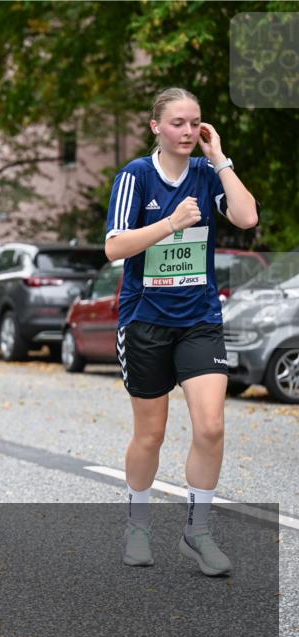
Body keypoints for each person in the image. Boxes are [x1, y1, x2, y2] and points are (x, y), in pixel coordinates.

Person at [104, 88, 259, 576]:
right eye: (178, 123)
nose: (188, 131)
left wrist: (221, 159)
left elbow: (247, 216)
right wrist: (171, 222)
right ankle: (138, 525)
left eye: (195, 122)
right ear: (156, 126)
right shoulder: (135, 176)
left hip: (199, 320)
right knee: (151, 435)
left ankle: (198, 532)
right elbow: (115, 247)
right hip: (145, 321)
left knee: (210, 427)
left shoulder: (207, 174)